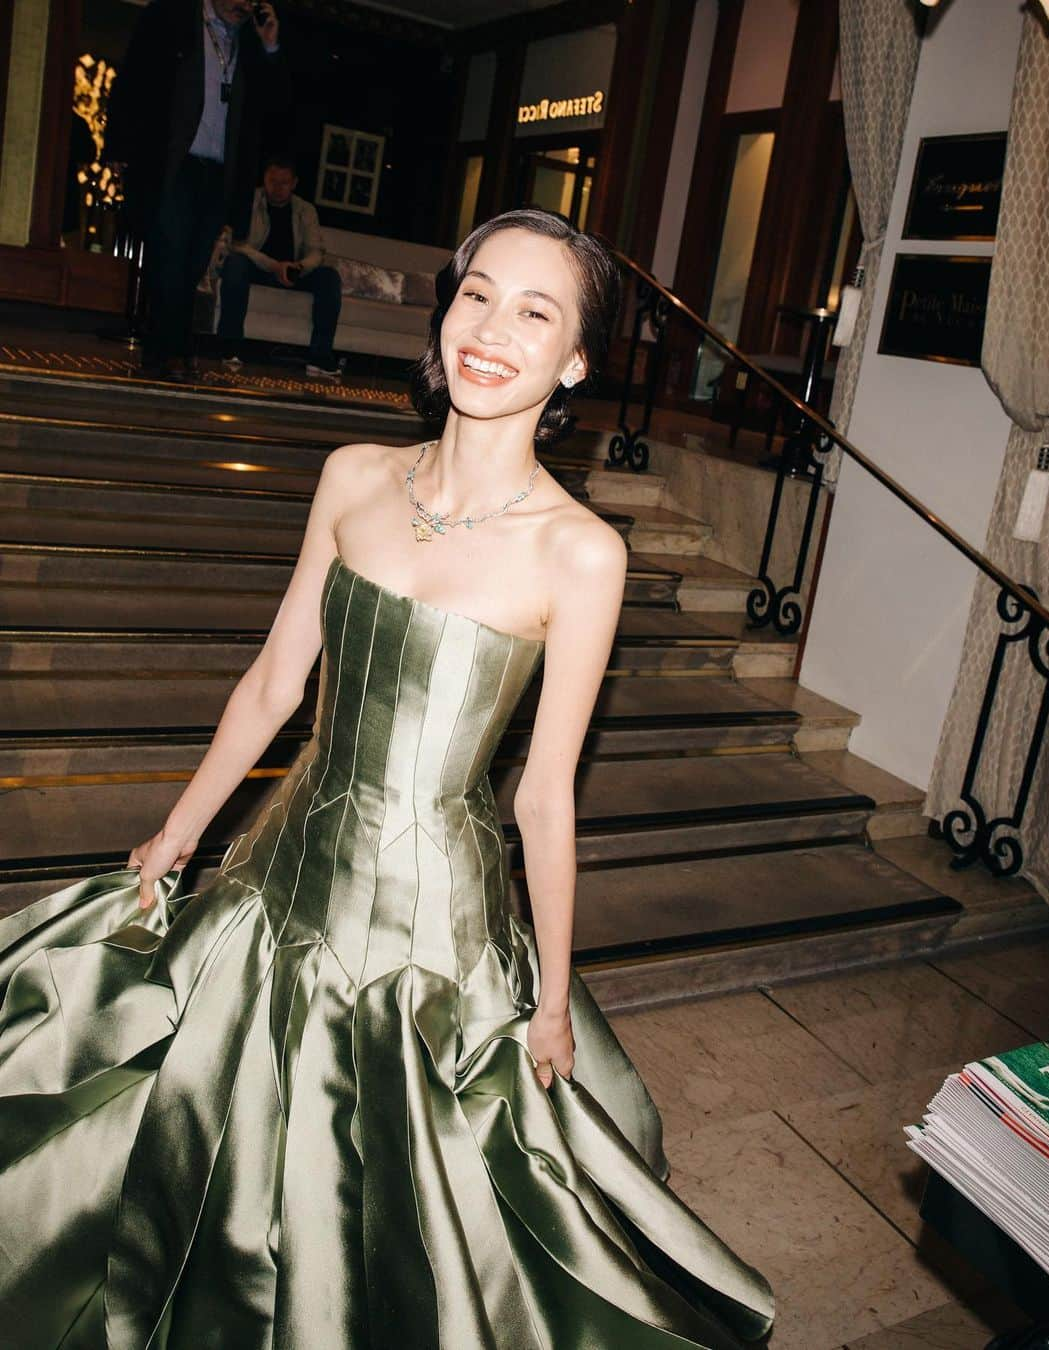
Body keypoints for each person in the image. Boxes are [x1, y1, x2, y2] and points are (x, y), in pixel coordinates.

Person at [0, 209, 774, 1347]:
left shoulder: (580, 553)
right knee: (201, 1129)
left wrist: (552, 999)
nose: (492, 330)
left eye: (535, 311)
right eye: (476, 295)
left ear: (573, 363)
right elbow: (274, 684)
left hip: (433, 931)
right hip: (285, 862)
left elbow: (545, 791)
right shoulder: (354, 475)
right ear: (443, 310)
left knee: (397, 1201)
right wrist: (178, 834)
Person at [105, 0, 288, 381]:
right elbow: (134, 79)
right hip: (172, 162)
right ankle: (174, 350)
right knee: (169, 257)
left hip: (219, 173)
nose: (243, 5)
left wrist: (270, 47)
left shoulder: (252, 43)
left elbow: (269, 110)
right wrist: (119, 146)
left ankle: (160, 352)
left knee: (192, 264)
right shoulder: (170, 17)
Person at [218, 155, 343, 379]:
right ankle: (230, 345)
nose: (277, 188)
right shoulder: (250, 201)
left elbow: (316, 251)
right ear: (264, 179)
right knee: (235, 264)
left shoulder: (305, 211)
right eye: (272, 181)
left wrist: (298, 267)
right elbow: (237, 244)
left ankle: (320, 356)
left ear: (294, 183)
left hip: (292, 271)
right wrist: (272, 265)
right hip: (258, 266)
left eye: (283, 182)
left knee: (329, 277)